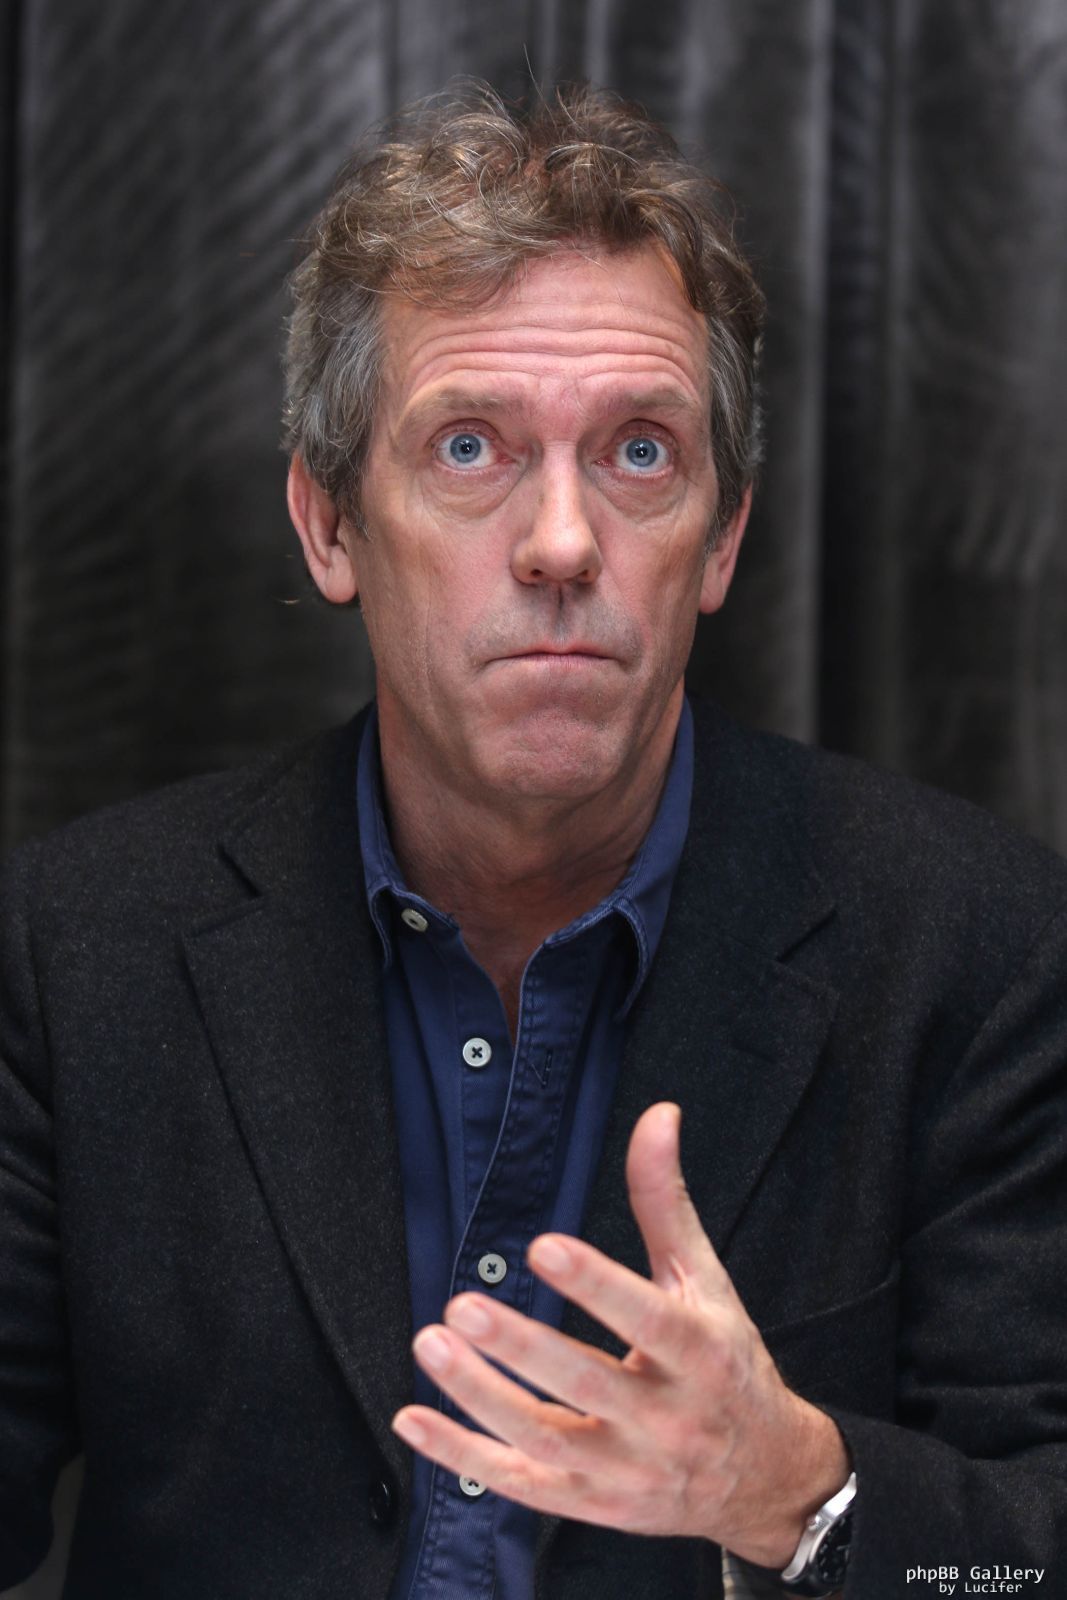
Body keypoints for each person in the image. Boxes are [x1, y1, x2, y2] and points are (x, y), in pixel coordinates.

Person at [1, 82, 1065, 1600]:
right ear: (329, 525)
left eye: (639, 453)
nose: (564, 543)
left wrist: (804, 1496)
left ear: (723, 536)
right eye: (469, 447)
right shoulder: (73, 951)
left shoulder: (983, 950)